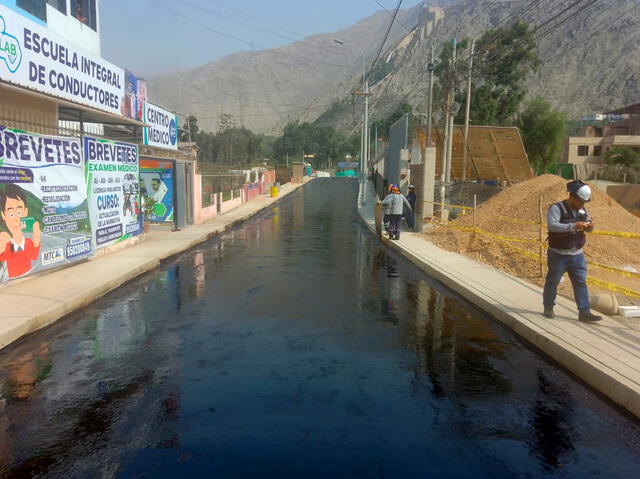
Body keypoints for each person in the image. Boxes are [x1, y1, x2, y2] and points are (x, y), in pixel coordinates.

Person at [543, 180, 602, 322]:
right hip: (558, 255)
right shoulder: (556, 208)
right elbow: (552, 226)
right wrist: (574, 225)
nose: (583, 205)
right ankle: (548, 307)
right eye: (581, 201)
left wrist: (590, 226)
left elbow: (588, 228)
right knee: (553, 282)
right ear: (573, 197)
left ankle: (584, 312)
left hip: (577, 255)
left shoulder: (582, 210)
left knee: (580, 283)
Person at [0, 184, 41, 279]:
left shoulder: (28, 243)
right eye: (11, 213)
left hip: (29, 280)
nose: (16, 219)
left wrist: (37, 238)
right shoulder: (6, 245)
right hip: (11, 284)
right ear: (4, 215)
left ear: (25, 212)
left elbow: (34, 255)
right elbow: (2, 258)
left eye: (19, 212)